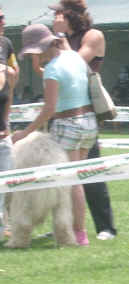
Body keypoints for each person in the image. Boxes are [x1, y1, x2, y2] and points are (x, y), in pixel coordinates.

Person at [12, 24, 98, 246]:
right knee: (74, 178)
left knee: (68, 183)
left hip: (67, 124)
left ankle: (76, 233)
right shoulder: (73, 57)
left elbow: (49, 109)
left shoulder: (52, 69)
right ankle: (72, 231)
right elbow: (66, 79)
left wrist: (25, 133)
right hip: (88, 122)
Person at [48, 0, 117, 241]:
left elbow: (75, 65)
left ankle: (105, 227)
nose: (55, 18)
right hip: (61, 111)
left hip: (85, 114)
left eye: (58, 14)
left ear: (70, 15)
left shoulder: (93, 36)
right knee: (60, 174)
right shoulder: (61, 37)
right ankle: (65, 224)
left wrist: (59, 37)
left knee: (90, 172)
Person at [0, 7, 17, 240]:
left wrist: (6, 120)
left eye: (3, 15)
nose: (2, 20)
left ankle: (3, 223)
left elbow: (11, 82)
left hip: (3, 133)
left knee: (7, 179)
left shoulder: (6, 44)